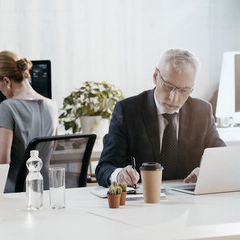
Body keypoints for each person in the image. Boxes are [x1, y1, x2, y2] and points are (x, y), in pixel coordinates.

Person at [95, 48, 226, 188]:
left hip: (189, 201)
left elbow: (222, 157)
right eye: (169, 87)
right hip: (143, 202)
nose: (173, 98)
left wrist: (206, 172)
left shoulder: (202, 112)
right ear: (155, 76)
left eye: (183, 90)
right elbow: (105, 167)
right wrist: (119, 174)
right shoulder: (127, 111)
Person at [0, 51, 59, 192]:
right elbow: (49, 149)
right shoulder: (52, 106)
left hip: (16, 191)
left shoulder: (7, 106)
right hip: (45, 189)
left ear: (7, 81)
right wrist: (3, 147)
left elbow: (2, 162)